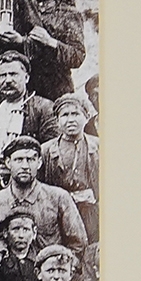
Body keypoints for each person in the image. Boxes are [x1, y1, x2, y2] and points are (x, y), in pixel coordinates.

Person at [0, 136, 88, 259]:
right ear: (8, 163)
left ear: (39, 163)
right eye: (18, 160)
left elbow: (78, 245)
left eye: (30, 160)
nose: (25, 166)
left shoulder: (58, 197)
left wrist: (61, 265)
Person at [0, 51, 58, 185]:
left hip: (27, 180)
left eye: (13, 74)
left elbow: (51, 150)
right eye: (2, 76)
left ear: (26, 78)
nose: (8, 80)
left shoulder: (43, 107)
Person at [40, 93, 99, 251]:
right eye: (65, 115)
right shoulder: (45, 150)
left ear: (86, 117)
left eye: (75, 114)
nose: (70, 119)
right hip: (59, 211)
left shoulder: (99, 146)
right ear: (57, 121)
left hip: (91, 210)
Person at [25, 0, 87, 99]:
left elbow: (77, 56)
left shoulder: (68, 14)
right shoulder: (25, 13)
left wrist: (51, 42)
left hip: (58, 88)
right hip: (29, 88)